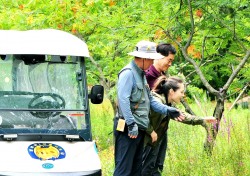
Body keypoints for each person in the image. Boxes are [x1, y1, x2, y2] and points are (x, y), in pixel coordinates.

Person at [113, 40, 184, 176]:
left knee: (136, 171)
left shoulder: (141, 74)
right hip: (128, 128)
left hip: (139, 129)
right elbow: (123, 101)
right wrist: (131, 123)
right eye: (151, 59)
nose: (152, 63)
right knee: (123, 170)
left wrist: (168, 110)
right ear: (144, 58)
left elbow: (150, 99)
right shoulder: (128, 73)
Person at [141, 76, 216, 176]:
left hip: (157, 140)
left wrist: (202, 119)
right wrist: (150, 131)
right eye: (181, 92)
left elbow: (182, 116)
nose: (183, 95)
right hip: (146, 141)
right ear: (172, 91)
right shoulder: (157, 101)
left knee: (157, 169)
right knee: (145, 171)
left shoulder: (169, 104)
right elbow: (141, 117)